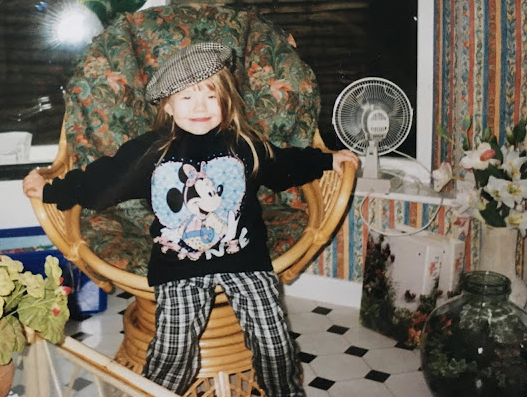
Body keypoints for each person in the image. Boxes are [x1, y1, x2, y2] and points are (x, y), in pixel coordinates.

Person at [23, 42, 359, 396]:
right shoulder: (151, 150)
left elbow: (284, 165)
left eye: (211, 96)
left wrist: (327, 160)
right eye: (186, 97)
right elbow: (102, 181)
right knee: (173, 351)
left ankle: (285, 393)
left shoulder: (244, 143)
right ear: (167, 105)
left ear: (226, 100)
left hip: (245, 259)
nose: (200, 107)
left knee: (274, 341)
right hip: (178, 266)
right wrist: (51, 189)